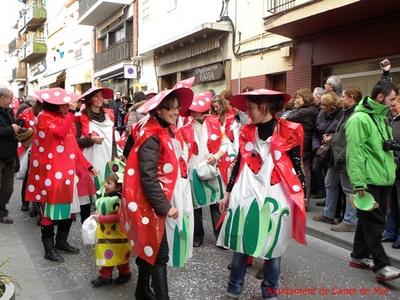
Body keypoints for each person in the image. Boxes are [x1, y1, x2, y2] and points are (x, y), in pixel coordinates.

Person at [218, 89, 306, 299]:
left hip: (275, 195)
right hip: (246, 193)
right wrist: (228, 191)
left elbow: (296, 167)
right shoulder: (246, 131)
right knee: (241, 243)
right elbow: (239, 161)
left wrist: (300, 196)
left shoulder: (289, 131)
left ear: (264, 107)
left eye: (250, 108)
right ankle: (234, 289)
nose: (247, 112)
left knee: (273, 247)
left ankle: (270, 292)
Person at [119, 84, 194, 300]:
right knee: (159, 254)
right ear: (158, 110)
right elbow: (148, 177)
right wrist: (165, 206)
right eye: (170, 108)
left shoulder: (156, 127)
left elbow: (127, 151)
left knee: (150, 249)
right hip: (150, 202)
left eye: (177, 107)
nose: (176, 112)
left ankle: (141, 290)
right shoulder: (152, 133)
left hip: (153, 199)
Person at [25, 88, 94, 262]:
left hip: (67, 174)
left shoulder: (63, 118)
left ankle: (60, 242)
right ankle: (48, 249)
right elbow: (59, 133)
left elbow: (73, 147)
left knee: (69, 210)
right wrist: (71, 113)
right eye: (64, 105)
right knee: (50, 211)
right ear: (55, 105)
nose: (67, 107)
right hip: (51, 174)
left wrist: (87, 165)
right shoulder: (43, 118)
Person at [346, 79, 400, 281]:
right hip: (368, 181)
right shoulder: (359, 120)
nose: (394, 103)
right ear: (380, 98)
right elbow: (355, 154)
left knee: (367, 220)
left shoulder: (379, 116)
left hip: (382, 178)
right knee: (376, 223)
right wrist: (359, 184)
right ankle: (382, 265)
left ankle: (359, 256)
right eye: (392, 99)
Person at [180, 91, 230, 248]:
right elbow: (182, 150)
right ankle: (197, 235)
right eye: (192, 111)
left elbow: (226, 144)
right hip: (194, 169)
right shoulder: (185, 127)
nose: (194, 114)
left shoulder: (216, 123)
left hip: (213, 167)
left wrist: (216, 156)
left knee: (216, 203)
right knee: (196, 205)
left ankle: (220, 236)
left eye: (196, 110)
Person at [313, 87, 362, 230]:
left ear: (352, 97)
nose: (341, 98)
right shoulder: (347, 112)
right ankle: (328, 214)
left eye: (344, 96)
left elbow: (354, 139)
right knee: (329, 183)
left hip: (344, 158)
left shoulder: (356, 114)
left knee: (349, 190)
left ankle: (350, 221)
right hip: (336, 156)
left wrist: (341, 154)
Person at [75, 87, 115, 223]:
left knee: (105, 195)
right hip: (87, 163)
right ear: (89, 99)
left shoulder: (108, 117)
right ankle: (86, 227)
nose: (99, 99)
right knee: (86, 197)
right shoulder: (80, 118)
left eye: (101, 96)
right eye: (96, 96)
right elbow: (74, 142)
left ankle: (103, 228)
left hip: (106, 161)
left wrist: (114, 158)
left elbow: (112, 139)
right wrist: (90, 140)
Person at [91, 172, 131, 287]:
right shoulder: (106, 197)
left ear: (118, 186)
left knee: (120, 255)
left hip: (117, 235)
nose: (106, 185)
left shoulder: (118, 200)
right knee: (105, 255)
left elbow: (118, 216)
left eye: (109, 183)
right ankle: (105, 276)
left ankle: (125, 273)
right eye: (106, 183)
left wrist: (101, 218)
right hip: (105, 235)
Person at [285, 88, 318, 206]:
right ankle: (304, 199)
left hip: (303, 145)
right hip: (305, 144)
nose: (296, 100)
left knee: (302, 172)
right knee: (305, 171)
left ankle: (303, 199)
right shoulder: (310, 110)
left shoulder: (305, 112)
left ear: (306, 98)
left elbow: (285, 117)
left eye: (298, 97)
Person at [382, 94, 400, 249]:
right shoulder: (390, 119)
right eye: (391, 105)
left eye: (395, 105)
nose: (392, 108)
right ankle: (390, 231)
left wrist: (395, 146)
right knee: (391, 202)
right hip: (391, 167)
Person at [0, 86, 19, 224]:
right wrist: (10, 129)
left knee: (8, 188)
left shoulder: (9, 112)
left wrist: (19, 127)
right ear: (3, 98)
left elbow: (13, 127)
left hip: (10, 155)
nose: (12, 101)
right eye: (10, 98)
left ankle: (2, 210)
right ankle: (1, 213)